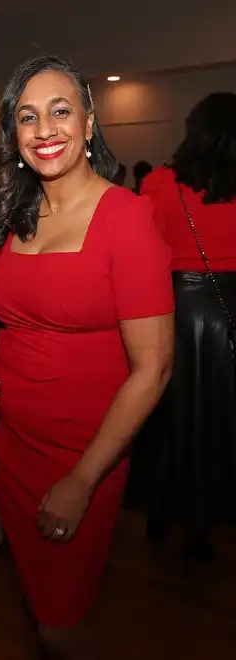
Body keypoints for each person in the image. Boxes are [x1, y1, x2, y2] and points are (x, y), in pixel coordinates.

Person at [0, 55, 174, 659]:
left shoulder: (126, 217)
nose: (45, 129)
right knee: (38, 603)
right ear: (14, 136)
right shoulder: (15, 218)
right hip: (10, 446)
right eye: (28, 116)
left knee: (61, 624)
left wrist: (82, 480)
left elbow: (154, 369)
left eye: (60, 111)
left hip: (83, 453)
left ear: (90, 123)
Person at [134, 92, 236, 561]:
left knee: (170, 416)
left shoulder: (157, 183)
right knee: (220, 421)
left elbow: (144, 252)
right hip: (230, 306)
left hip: (174, 305)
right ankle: (207, 520)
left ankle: (160, 511)